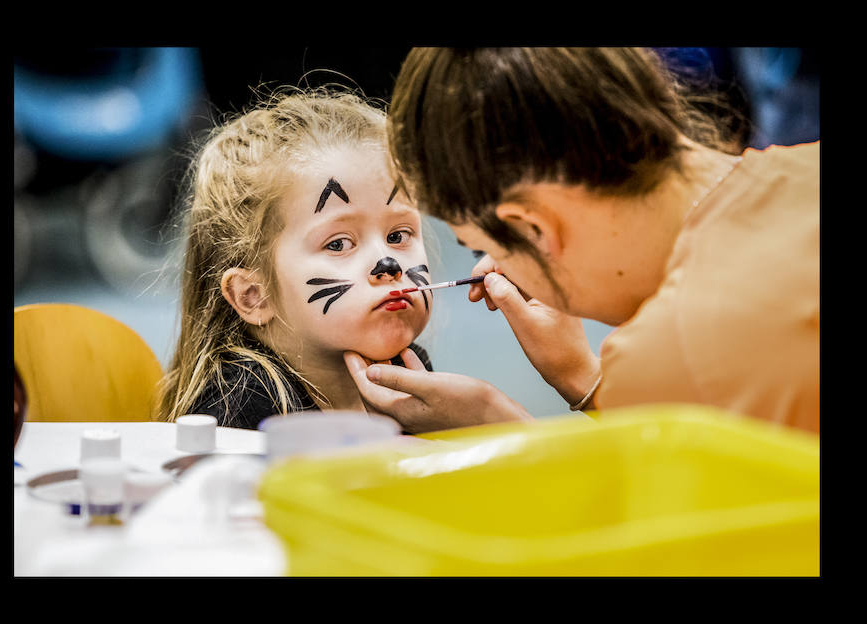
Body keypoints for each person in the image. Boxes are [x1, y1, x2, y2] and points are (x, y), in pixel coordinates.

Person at [344, 47, 818, 434]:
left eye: (481, 245)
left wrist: (499, 427)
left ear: (534, 229)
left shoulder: (681, 356)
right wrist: (585, 379)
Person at [158, 87, 434, 429]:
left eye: (398, 236)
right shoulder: (241, 408)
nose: (388, 265)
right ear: (253, 296)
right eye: (338, 244)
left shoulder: (407, 371)